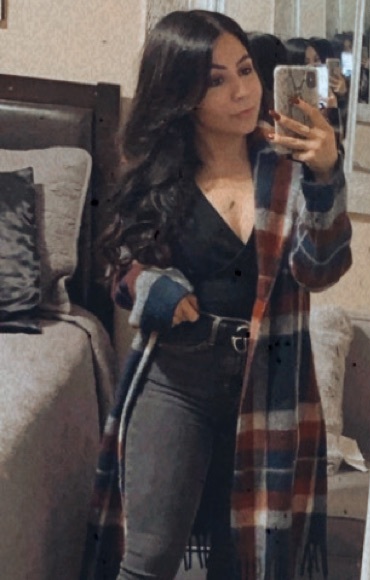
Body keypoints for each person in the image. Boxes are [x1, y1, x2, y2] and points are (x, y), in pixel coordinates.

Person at [80, 9, 352, 580]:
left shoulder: (288, 169)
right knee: (148, 557)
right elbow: (120, 266)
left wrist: (326, 175)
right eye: (216, 80)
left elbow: (319, 271)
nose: (243, 91)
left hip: (272, 384)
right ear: (181, 95)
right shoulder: (161, 173)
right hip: (177, 377)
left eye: (246, 70)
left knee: (249, 565)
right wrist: (153, 288)